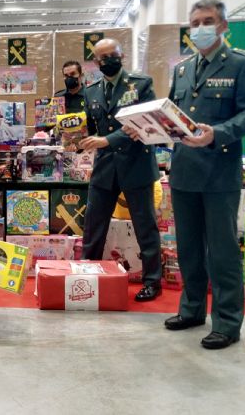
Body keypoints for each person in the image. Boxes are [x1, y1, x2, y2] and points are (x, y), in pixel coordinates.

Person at [140, 0, 245, 349]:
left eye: (207, 21)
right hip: (184, 172)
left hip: (219, 172)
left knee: (221, 251)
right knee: (189, 249)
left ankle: (226, 322)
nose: (200, 28)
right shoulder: (183, 69)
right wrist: (149, 128)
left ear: (223, 25)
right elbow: (175, 116)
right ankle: (192, 309)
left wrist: (218, 133)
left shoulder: (243, 63)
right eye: (194, 23)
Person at [79, 38, 162, 302]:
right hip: (104, 168)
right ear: (95, 62)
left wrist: (107, 141)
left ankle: (152, 282)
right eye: (101, 58)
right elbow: (92, 130)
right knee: (93, 225)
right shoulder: (90, 91)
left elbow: (144, 123)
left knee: (145, 226)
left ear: (122, 55)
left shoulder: (141, 84)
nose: (107, 61)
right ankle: (86, 274)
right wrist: (75, 139)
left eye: (112, 55)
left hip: (136, 166)